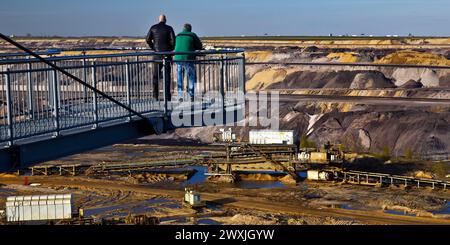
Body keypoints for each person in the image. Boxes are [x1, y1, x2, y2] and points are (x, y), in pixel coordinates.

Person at [146, 14, 176, 101]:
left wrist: (153, 47)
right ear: (165, 20)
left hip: (156, 55)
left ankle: (155, 96)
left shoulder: (153, 27)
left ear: (158, 20)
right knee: (167, 77)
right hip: (166, 55)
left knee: (156, 76)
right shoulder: (169, 28)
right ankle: (167, 97)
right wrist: (170, 50)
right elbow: (173, 42)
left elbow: (147, 39)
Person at [173, 23, 203, 101]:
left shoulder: (178, 35)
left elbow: (174, 45)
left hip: (178, 58)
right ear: (190, 29)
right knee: (191, 76)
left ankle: (180, 94)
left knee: (180, 76)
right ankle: (191, 94)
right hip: (188, 58)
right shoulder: (192, 35)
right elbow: (200, 46)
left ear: (183, 29)